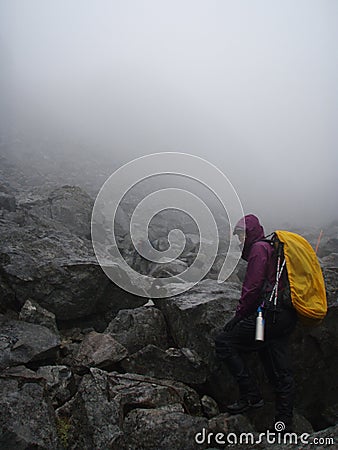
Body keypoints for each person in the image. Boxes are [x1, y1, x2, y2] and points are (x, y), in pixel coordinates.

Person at [215, 214, 298, 431]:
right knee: (276, 365)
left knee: (225, 342)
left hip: (267, 318)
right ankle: (283, 424)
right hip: (283, 316)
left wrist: (239, 316)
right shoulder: (271, 248)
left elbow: (252, 288)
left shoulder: (258, 249)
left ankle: (251, 395)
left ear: (250, 232)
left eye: (241, 235)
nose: (239, 240)